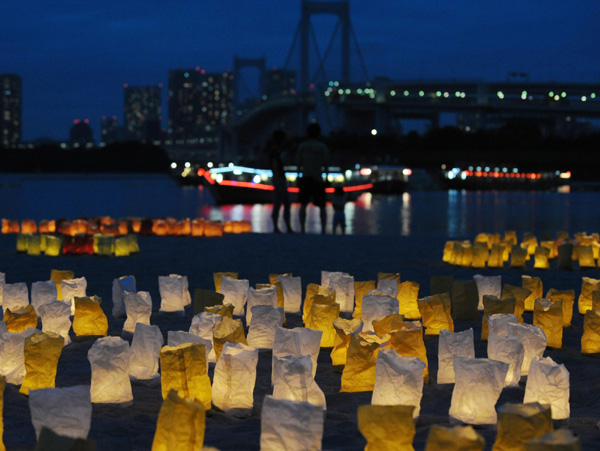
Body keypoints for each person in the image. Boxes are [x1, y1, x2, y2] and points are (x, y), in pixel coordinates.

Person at [297, 122, 329, 234]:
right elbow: (325, 163)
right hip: (317, 178)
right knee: (322, 206)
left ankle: (302, 229)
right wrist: (326, 177)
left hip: (305, 177)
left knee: (303, 204)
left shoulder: (302, 146)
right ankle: (324, 230)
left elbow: (299, 163)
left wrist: (298, 176)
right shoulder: (321, 147)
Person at [267, 129, 292, 233]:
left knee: (281, 202)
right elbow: (275, 166)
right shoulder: (276, 151)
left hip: (279, 178)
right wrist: (277, 181)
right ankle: (281, 227)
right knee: (282, 202)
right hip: (279, 179)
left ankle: (280, 227)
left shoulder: (275, 150)